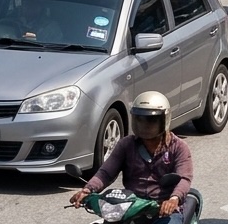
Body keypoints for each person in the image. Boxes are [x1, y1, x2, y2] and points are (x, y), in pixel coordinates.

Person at [69, 92, 195, 224]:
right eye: (140, 119)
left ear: (165, 119)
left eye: (151, 120)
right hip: (130, 207)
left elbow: (184, 179)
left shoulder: (179, 147)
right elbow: (106, 173)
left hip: (162, 209)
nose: (145, 125)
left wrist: (173, 199)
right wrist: (87, 190)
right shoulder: (126, 145)